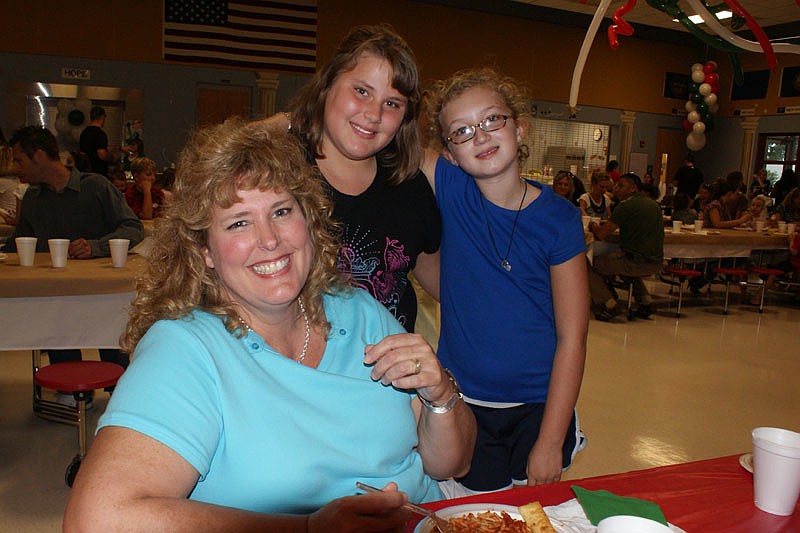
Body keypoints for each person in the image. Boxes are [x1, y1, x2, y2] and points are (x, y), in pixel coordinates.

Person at [63, 119, 476, 531]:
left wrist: (440, 393)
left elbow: (451, 463)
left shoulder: (358, 309)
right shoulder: (187, 349)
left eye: (281, 211)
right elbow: (96, 519)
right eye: (239, 222)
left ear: (309, 222)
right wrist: (308, 529)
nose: (270, 239)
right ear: (204, 250)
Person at [421, 68, 588, 495]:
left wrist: (550, 441)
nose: (480, 136)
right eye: (462, 131)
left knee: (530, 514)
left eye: (492, 119)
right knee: (477, 515)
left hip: (539, 406)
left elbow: (573, 336)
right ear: (450, 154)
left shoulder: (559, 220)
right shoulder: (451, 188)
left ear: (520, 126)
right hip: (467, 403)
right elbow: (380, 134)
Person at [275, 24, 440, 333]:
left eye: (392, 103)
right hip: (296, 373)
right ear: (327, 84)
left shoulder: (410, 188)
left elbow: (450, 288)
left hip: (385, 376)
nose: (373, 113)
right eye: (361, 91)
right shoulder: (277, 174)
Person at [6, 126, 141, 384]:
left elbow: (132, 227)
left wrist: (97, 246)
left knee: (116, 359)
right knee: (58, 338)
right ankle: (73, 392)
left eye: (19, 160)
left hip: (103, 298)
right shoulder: (33, 198)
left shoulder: (97, 187)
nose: (15, 168)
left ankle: (121, 394)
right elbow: (18, 244)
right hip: (54, 301)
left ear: (39, 156)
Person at [587, 173, 664, 321]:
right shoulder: (654, 205)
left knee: (587, 265)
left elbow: (601, 235)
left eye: (621, 185)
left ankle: (609, 303)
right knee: (622, 263)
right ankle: (645, 301)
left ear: (633, 188)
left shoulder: (625, 206)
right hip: (656, 263)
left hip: (634, 262)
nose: (616, 189)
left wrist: (593, 225)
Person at [79, 106, 118, 177]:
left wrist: (118, 148)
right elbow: (101, 154)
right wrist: (112, 157)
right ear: (102, 117)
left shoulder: (84, 132)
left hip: (85, 172)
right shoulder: (100, 134)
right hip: (98, 173)